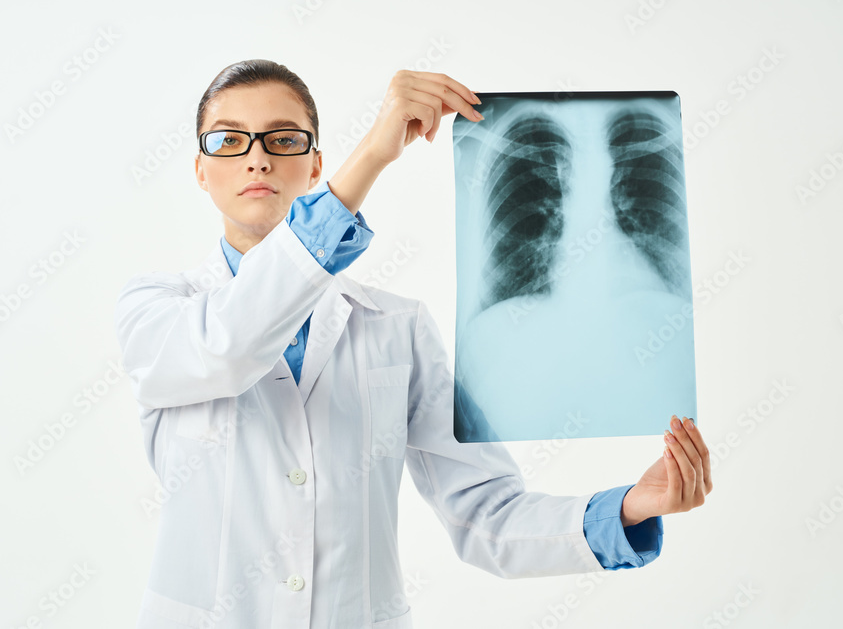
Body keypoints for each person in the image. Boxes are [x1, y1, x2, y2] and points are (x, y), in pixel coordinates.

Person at [114, 59, 713, 629]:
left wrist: (630, 506)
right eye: (228, 140)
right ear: (200, 170)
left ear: (315, 166)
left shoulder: (395, 327)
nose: (257, 159)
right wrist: (373, 156)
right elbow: (229, 345)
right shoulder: (156, 313)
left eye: (283, 139)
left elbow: (485, 515)